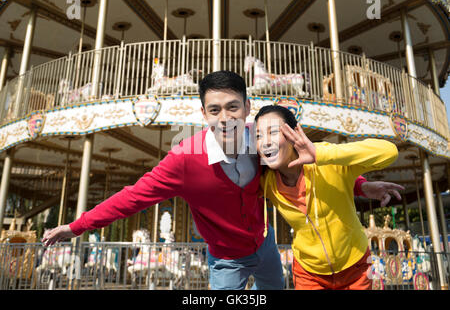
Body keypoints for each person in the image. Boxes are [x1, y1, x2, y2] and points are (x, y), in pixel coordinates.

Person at [42, 71, 403, 290]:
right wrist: (77, 226)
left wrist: (358, 185)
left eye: (234, 107)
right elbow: (133, 197)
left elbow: (309, 168)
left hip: (265, 247)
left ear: (247, 108)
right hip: (226, 260)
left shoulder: (261, 139)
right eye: (214, 110)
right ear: (203, 114)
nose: (225, 117)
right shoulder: (184, 160)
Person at [254, 105, 401, 290]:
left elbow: (389, 152)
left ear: (295, 133)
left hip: (358, 266)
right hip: (308, 273)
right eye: (258, 136)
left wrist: (320, 154)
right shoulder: (266, 182)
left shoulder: (325, 158)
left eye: (273, 132)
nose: (265, 142)